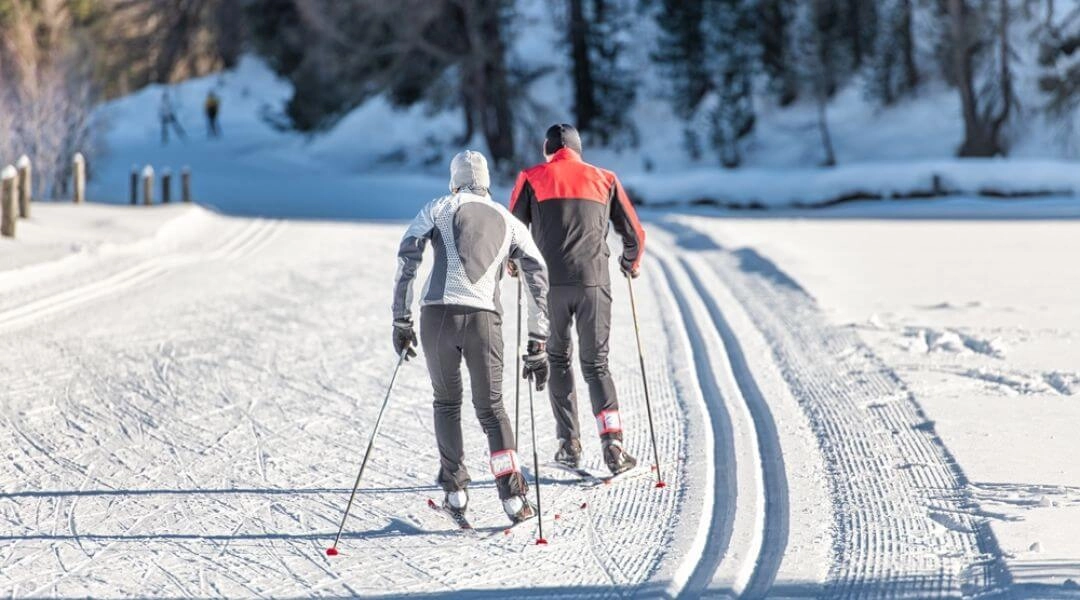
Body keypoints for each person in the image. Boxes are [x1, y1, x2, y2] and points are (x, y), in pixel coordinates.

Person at [392, 150, 551, 524]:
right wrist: (537, 339)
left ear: (454, 180)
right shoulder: (509, 220)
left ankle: (455, 492)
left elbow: (407, 258)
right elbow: (537, 274)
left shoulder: (438, 207)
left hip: (437, 316)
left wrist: (401, 319)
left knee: (446, 403)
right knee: (492, 408)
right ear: (487, 181)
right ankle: (513, 500)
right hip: (483, 321)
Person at [509, 123, 646, 476]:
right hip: (593, 283)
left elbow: (513, 230)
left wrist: (513, 264)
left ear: (548, 150)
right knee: (596, 364)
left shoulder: (531, 176)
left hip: (549, 285)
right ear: (578, 149)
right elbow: (634, 233)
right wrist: (630, 262)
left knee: (557, 359)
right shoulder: (606, 178)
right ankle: (613, 443)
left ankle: (568, 445)